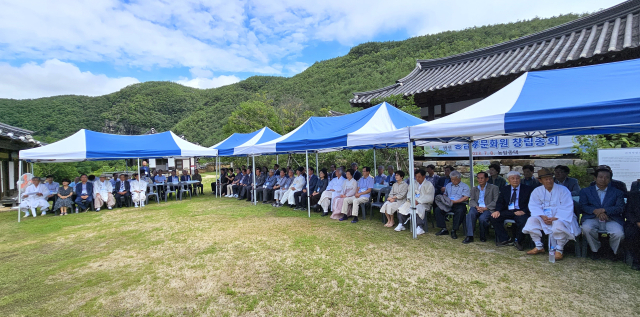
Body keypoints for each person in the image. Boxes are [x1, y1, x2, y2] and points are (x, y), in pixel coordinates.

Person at [523, 168, 581, 261]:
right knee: (531, 220)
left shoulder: (563, 190)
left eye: (550, 178)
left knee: (559, 224)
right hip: (544, 216)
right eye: (546, 179)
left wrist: (555, 218)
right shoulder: (537, 191)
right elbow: (534, 206)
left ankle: (559, 249)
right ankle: (538, 245)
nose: (549, 181)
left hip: (561, 216)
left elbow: (567, 206)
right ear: (540, 180)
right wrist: (542, 216)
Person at [580, 167, 626, 260]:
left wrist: (604, 210)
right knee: (586, 228)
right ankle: (595, 250)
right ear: (595, 178)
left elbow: (620, 208)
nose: (603, 180)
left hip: (611, 218)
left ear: (610, 179)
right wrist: (595, 211)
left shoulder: (617, 192)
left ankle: (613, 251)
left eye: (606, 177)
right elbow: (583, 206)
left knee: (619, 233)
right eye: (600, 177)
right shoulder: (586, 191)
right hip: (593, 217)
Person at [491, 171, 534, 250]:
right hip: (509, 210)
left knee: (523, 221)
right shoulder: (504, 189)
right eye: (512, 178)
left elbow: (532, 203)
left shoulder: (528, 189)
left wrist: (524, 211)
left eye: (517, 178)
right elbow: (500, 202)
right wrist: (497, 211)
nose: (515, 180)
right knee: (494, 217)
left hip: (521, 211)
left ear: (520, 179)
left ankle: (518, 241)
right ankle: (506, 239)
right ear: (508, 180)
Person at [463, 172, 499, 244]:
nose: (480, 180)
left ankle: (483, 235)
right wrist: (476, 206)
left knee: (482, 218)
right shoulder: (474, 189)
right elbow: (472, 200)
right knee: (470, 215)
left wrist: (486, 208)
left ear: (487, 179)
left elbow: (496, 201)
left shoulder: (494, 188)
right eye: (478, 178)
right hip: (477, 207)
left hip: (488, 208)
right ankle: (469, 236)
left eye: (482, 178)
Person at [397, 170, 435, 235]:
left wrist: (419, 201)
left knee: (418, 209)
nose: (417, 178)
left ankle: (419, 227)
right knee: (403, 207)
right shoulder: (413, 183)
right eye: (416, 177)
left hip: (423, 204)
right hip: (412, 201)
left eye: (419, 177)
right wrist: (412, 200)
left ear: (423, 176)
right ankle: (401, 224)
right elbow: (409, 193)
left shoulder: (429, 185)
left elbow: (429, 197)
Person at [434, 170, 469, 239]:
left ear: (459, 179)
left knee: (460, 211)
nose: (453, 181)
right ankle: (443, 228)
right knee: (438, 210)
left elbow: (466, 198)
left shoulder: (465, 186)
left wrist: (456, 201)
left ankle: (454, 230)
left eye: (455, 180)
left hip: (459, 203)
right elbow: (445, 194)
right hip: (448, 203)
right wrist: (445, 199)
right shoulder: (448, 185)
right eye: (452, 179)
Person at [625, 190, 640, 270]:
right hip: (635, 222)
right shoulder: (634, 195)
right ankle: (636, 261)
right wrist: (637, 222)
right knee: (631, 233)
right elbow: (628, 212)